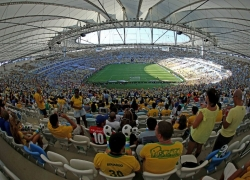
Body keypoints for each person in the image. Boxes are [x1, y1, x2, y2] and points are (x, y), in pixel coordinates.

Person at [186, 88, 219, 158]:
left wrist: (199, 113)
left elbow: (194, 126)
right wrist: (206, 107)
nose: (205, 97)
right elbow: (211, 110)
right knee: (199, 148)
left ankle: (186, 162)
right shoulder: (217, 107)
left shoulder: (203, 112)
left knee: (189, 151)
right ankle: (195, 158)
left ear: (209, 98)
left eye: (207, 96)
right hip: (205, 134)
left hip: (196, 135)